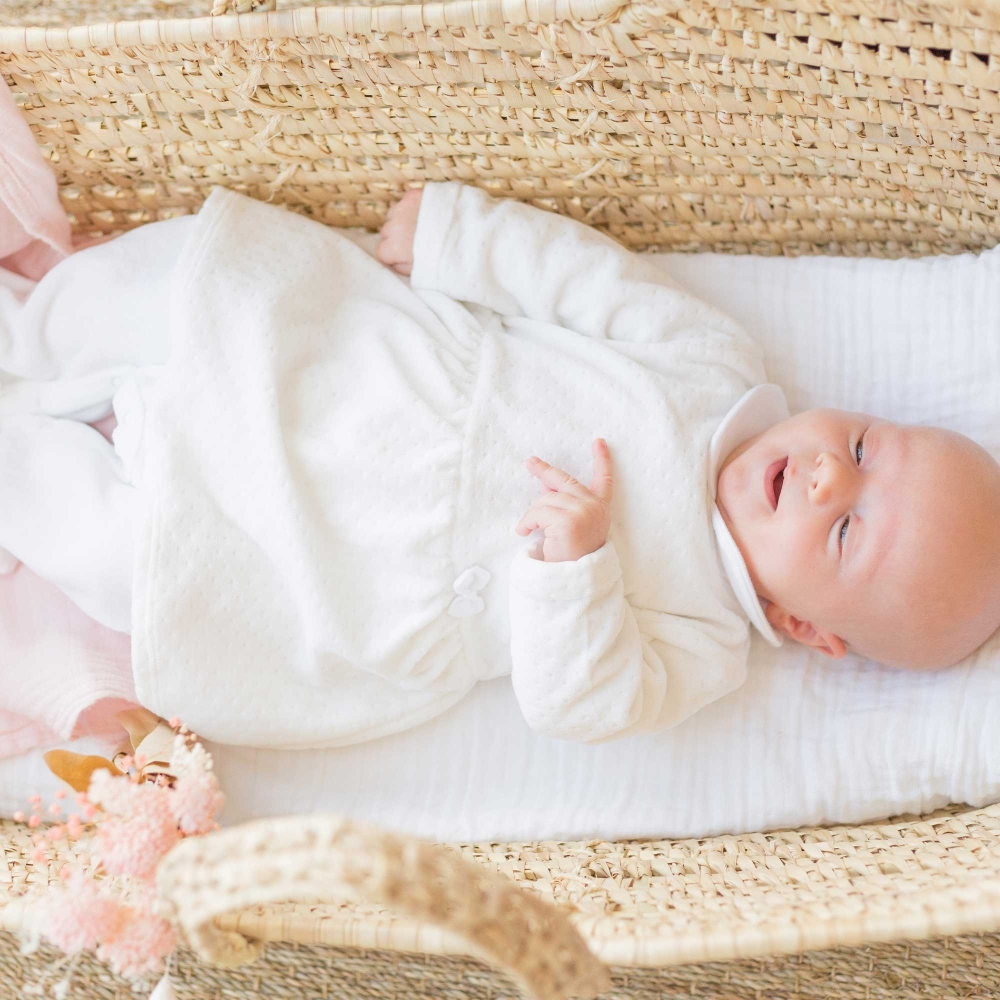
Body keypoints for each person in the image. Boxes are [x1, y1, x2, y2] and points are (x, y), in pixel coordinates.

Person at [1, 182, 999, 748]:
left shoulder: (704, 643)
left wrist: (576, 572)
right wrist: (459, 239)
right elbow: (587, 284)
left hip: (365, 564)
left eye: (843, 528)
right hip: (379, 379)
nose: (828, 474)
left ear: (803, 627)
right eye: (863, 447)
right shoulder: (716, 366)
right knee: (184, 294)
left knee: (126, 547)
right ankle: (38, 335)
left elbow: (582, 703)